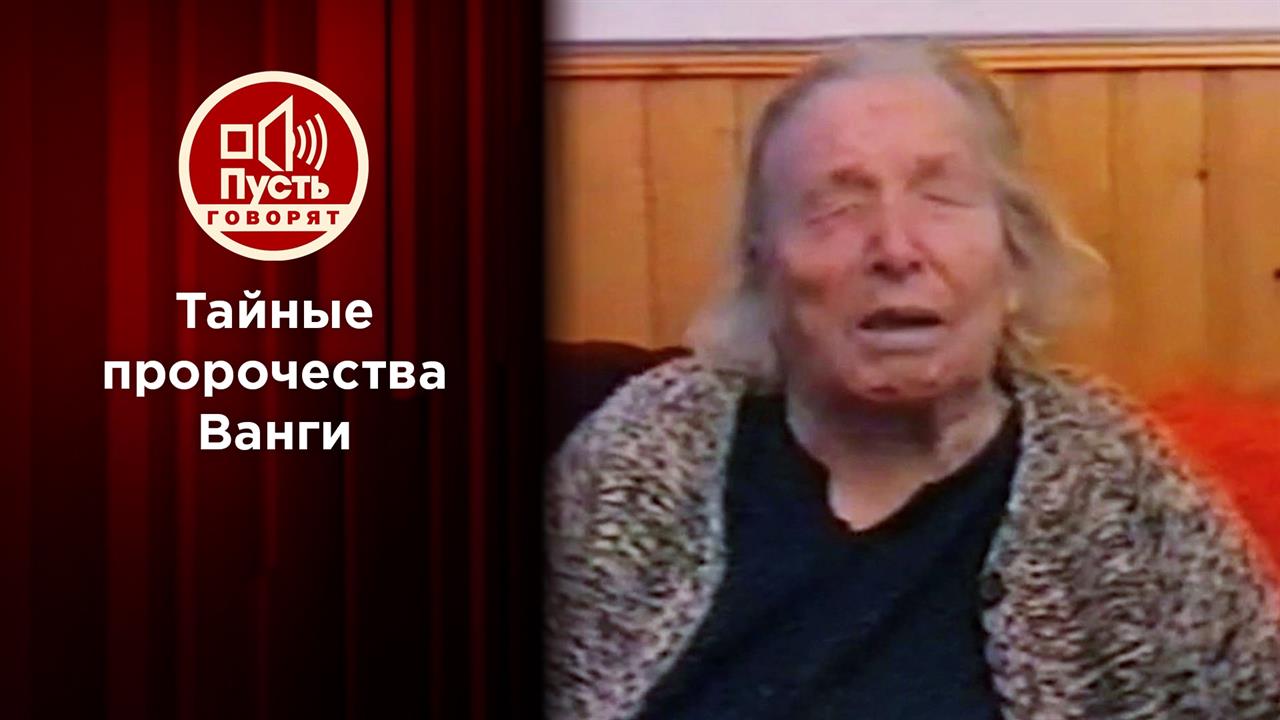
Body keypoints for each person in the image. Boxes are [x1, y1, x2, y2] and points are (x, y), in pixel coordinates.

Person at [545, 39, 1280, 719]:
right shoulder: (644, 457)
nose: (896, 248)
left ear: (1013, 251)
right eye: (836, 205)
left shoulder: (1118, 481)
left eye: (942, 196)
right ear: (764, 265)